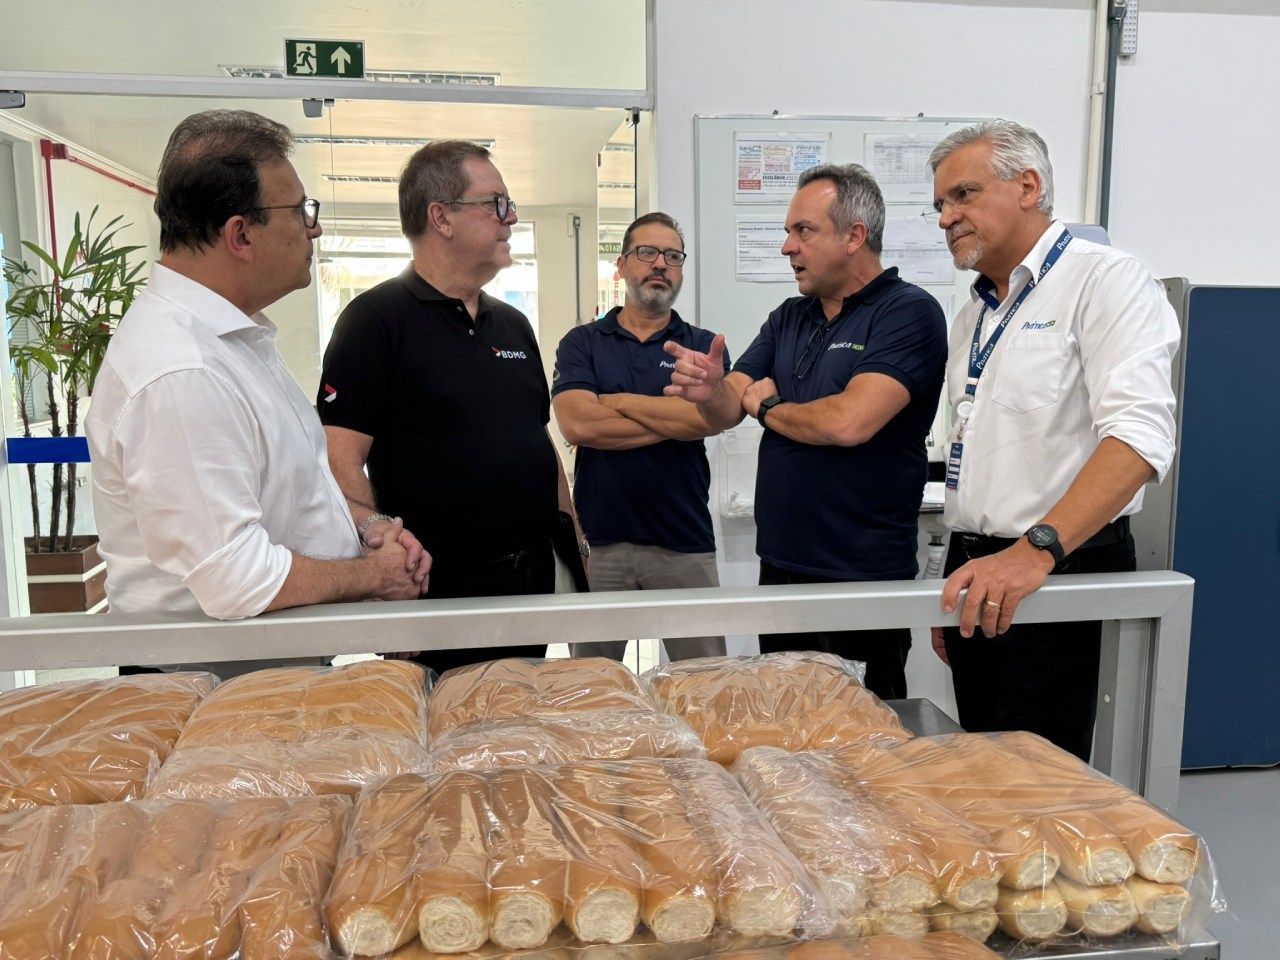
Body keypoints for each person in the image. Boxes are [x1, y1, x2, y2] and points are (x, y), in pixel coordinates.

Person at [86, 110, 426, 675]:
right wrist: (372, 577)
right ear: (240, 233)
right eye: (299, 211)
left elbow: (286, 492)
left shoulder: (233, 341)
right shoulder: (181, 370)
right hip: (209, 695)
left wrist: (366, 531)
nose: (312, 228)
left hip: (256, 679)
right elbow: (236, 579)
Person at [926, 119, 1179, 761]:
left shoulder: (1106, 281)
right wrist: (946, 576)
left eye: (962, 195)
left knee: (1045, 782)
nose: (946, 217)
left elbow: (1139, 437)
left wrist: (1036, 551)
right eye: (939, 205)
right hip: (977, 570)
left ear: (1028, 185)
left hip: (1057, 566)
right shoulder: (973, 315)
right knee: (984, 764)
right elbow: (968, 457)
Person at [666, 164, 947, 699]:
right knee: (790, 741)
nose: (786, 248)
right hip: (782, 569)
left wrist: (768, 405)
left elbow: (848, 422)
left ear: (854, 235)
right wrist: (710, 391)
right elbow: (730, 405)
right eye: (787, 232)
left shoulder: (908, 312)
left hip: (860, 581)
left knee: (861, 750)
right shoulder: (789, 317)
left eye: (803, 231)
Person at [319, 140, 584, 676]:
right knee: (445, 746)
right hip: (435, 593)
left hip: (526, 585)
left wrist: (575, 537)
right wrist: (384, 569)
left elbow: (537, 439)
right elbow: (338, 464)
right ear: (440, 216)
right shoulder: (374, 322)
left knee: (515, 734)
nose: (510, 219)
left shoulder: (512, 325)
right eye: (495, 204)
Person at [552, 212, 728, 662]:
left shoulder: (703, 347)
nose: (660, 264)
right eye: (646, 252)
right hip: (600, 545)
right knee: (592, 693)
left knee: (705, 688)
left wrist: (614, 400)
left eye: (672, 256)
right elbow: (579, 426)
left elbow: (708, 420)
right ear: (622, 265)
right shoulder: (582, 343)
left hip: (684, 543)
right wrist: (672, 417)